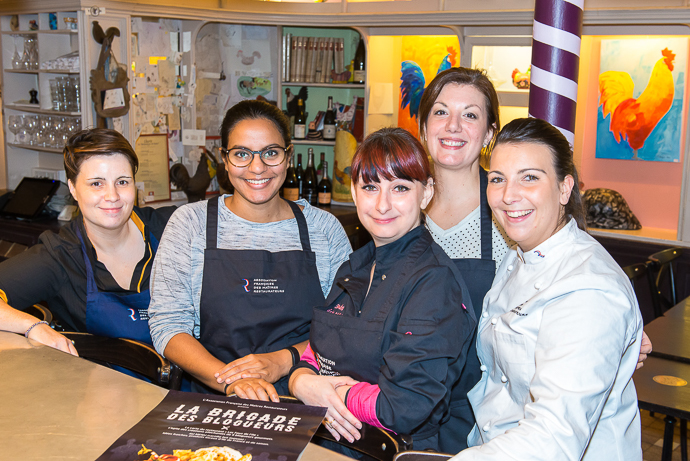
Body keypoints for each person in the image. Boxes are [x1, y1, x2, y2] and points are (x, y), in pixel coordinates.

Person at [417, 67, 652, 452]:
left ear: (564, 187)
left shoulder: (583, 284)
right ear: (423, 127)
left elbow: (555, 434)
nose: (510, 195)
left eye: (530, 178)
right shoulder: (519, 253)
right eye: (499, 179)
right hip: (478, 431)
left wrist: (616, 337)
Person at [288, 127, 477, 452]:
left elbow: (404, 406)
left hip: (393, 451)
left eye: (400, 188)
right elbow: (317, 352)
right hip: (326, 443)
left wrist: (331, 394)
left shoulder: (433, 282)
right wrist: (300, 381)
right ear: (354, 191)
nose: (382, 204)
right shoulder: (354, 266)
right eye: (370, 187)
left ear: (427, 192)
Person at [148, 99, 351, 397]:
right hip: (214, 392)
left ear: (288, 156)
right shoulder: (190, 224)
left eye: (271, 153)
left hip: (306, 392)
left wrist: (283, 361)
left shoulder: (325, 229)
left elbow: (346, 324)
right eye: (242, 154)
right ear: (225, 159)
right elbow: (167, 325)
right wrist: (231, 381)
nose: (257, 168)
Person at [0, 129, 174, 352]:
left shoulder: (170, 228)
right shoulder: (61, 256)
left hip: (188, 384)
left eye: (122, 182)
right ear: (73, 188)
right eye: (96, 184)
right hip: (104, 384)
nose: (112, 196)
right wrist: (32, 326)